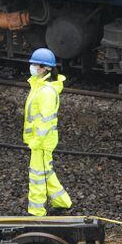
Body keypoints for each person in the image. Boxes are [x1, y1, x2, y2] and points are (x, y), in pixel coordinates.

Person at [24, 47, 72, 217]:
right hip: (41, 140)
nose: (32, 67)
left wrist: (36, 141)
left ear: (45, 68)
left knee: (37, 175)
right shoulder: (39, 85)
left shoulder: (46, 92)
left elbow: (45, 120)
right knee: (45, 171)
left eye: (35, 64)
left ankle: (36, 211)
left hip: (42, 141)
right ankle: (62, 202)